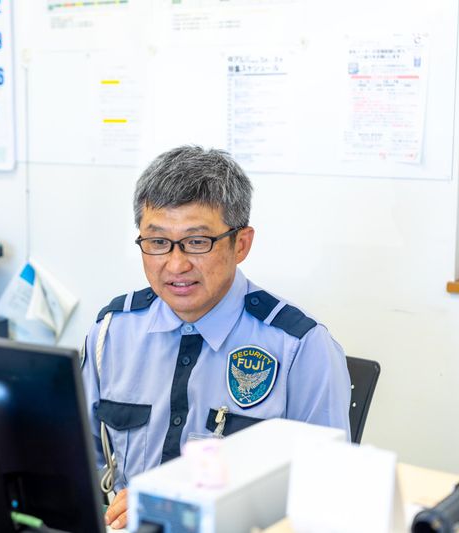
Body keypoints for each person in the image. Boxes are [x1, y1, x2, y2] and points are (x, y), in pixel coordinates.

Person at [80, 145, 351, 529]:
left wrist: (175, 505)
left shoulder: (300, 348)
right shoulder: (111, 332)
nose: (176, 265)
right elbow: (79, 461)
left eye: (197, 242)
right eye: (158, 242)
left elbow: (327, 493)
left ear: (241, 244)